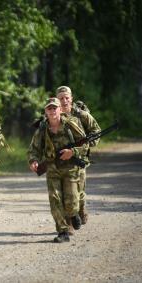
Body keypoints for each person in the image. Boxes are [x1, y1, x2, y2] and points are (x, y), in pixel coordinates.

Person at [28, 97, 89, 243]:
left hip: (70, 169)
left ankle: (74, 214)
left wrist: (72, 152)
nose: (52, 111)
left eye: (54, 108)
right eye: (49, 108)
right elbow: (34, 148)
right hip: (52, 168)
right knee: (55, 199)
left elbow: (85, 144)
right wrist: (33, 160)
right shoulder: (43, 128)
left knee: (71, 201)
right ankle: (63, 232)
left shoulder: (70, 124)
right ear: (46, 112)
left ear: (60, 110)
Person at [56, 86, 101, 228]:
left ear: (71, 98)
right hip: (60, 161)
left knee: (79, 191)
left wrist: (86, 143)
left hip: (79, 159)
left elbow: (96, 131)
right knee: (64, 193)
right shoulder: (53, 114)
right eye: (61, 98)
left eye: (66, 98)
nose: (64, 101)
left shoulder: (81, 115)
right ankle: (68, 223)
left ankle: (81, 210)